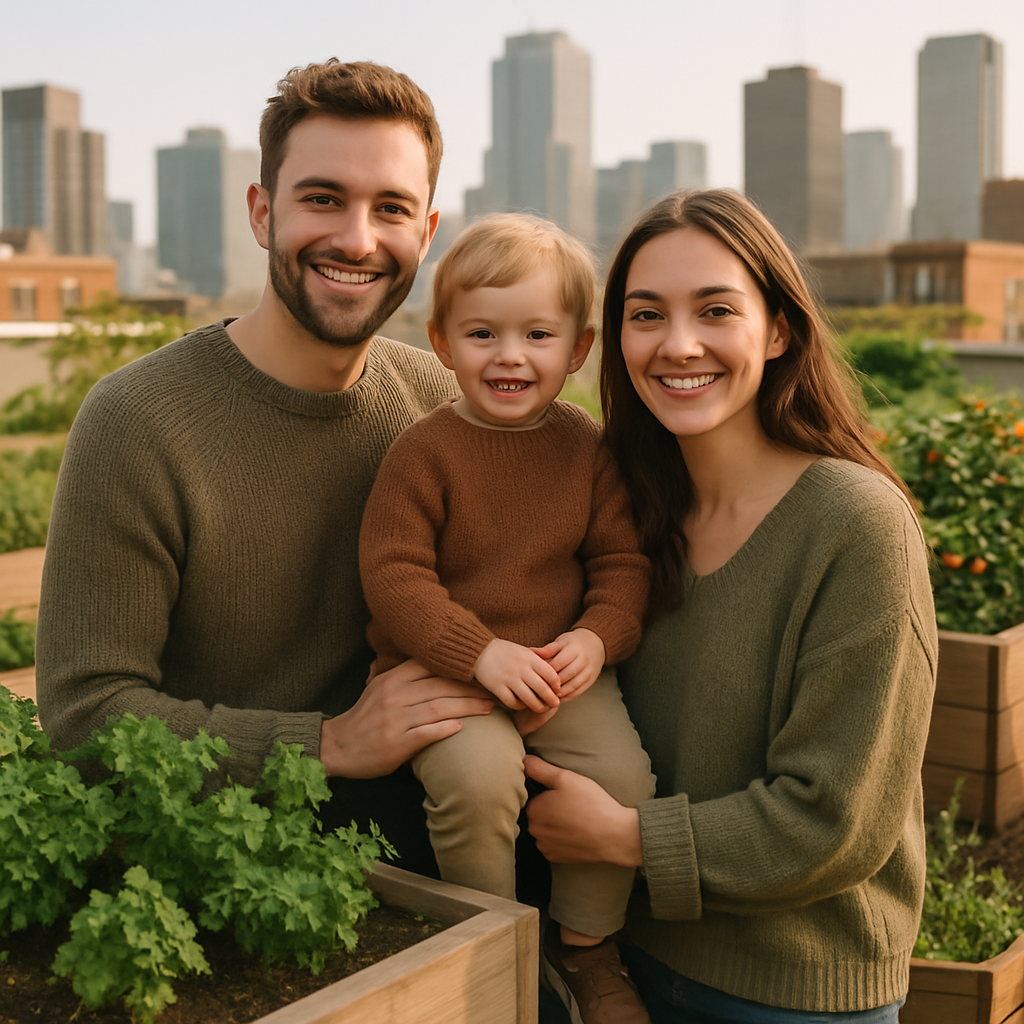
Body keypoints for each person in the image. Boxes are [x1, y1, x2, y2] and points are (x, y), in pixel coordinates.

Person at [34, 59, 494, 869]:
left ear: (424, 234)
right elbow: (86, 715)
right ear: (261, 212)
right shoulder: (136, 423)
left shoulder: (438, 398)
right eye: (322, 198)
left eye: (390, 208)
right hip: (226, 873)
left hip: (439, 851)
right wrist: (326, 743)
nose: (356, 238)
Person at [524, 189, 938, 1023]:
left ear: (779, 329)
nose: (678, 346)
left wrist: (622, 838)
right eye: (646, 315)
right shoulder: (625, 512)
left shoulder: (856, 525)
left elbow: (835, 820)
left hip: (793, 993)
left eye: (715, 309)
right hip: (619, 962)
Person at [358, 213, 656, 1024]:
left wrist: (597, 638)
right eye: (483, 333)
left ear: (578, 350)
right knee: (477, 780)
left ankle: (587, 948)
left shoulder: (587, 448)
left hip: (559, 671)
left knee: (625, 780)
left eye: (537, 334)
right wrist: (479, 653)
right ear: (444, 342)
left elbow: (623, 566)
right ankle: (491, 956)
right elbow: (394, 575)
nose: (511, 355)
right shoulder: (424, 452)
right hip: (447, 671)